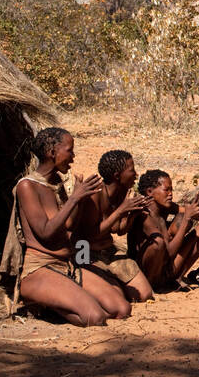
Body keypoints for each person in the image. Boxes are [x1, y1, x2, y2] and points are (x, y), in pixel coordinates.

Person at [12, 128, 131, 326]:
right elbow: (45, 232)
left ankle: (63, 298)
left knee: (121, 308)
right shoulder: (27, 186)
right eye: (70, 151)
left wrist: (80, 199)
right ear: (52, 152)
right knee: (95, 317)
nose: (73, 157)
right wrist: (74, 198)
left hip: (67, 266)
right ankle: (43, 302)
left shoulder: (56, 183)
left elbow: (68, 225)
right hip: (41, 268)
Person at [72, 149, 154, 303]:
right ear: (117, 176)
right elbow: (91, 235)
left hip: (109, 251)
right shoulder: (95, 194)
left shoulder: (121, 192)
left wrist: (133, 213)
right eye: (131, 170)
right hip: (85, 252)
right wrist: (122, 210)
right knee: (116, 297)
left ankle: (112, 283)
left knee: (144, 294)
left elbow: (119, 230)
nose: (136, 175)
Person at [127, 169, 199, 292]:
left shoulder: (167, 207)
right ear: (150, 192)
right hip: (149, 275)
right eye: (166, 190)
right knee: (161, 242)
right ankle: (155, 285)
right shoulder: (144, 215)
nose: (170, 194)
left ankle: (178, 277)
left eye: (172, 190)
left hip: (166, 269)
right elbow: (167, 252)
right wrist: (187, 218)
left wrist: (194, 212)